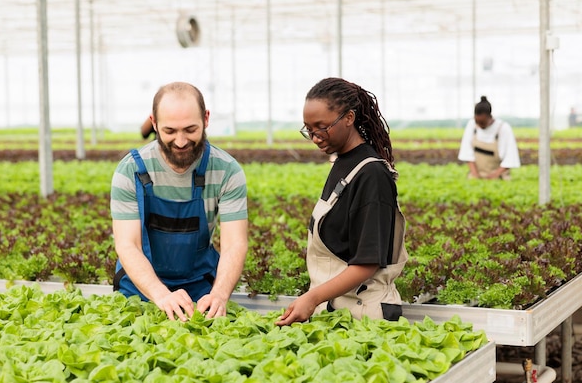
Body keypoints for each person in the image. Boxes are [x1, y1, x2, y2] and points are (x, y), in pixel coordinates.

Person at [110, 81, 248, 321]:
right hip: (140, 286)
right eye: (170, 131)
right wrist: (161, 295)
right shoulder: (130, 170)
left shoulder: (226, 170)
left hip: (200, 284)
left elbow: (235, 243)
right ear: (154, 123)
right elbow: (127, 245)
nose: (181, 141)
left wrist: (220, 295)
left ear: (206, 119)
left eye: (190, 129)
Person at [276, 77, 408, 326]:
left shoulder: (372, 175)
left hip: (363, 316)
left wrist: (312, 298)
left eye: (322, 127)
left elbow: (367, 263)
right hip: (337, 310)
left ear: (349, 118)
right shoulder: (343, 163)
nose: (315, 137)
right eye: (309, 129)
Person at [457, 96, 521, 180]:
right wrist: (475, 175)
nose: (479, 125)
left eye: (482, 122)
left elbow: (510, 158)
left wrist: (494, 176)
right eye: (477, 122)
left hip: (499, 177)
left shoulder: (503, 128)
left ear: (490, 117)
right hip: (477, 175)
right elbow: (467, 153)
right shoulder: (472, 125)